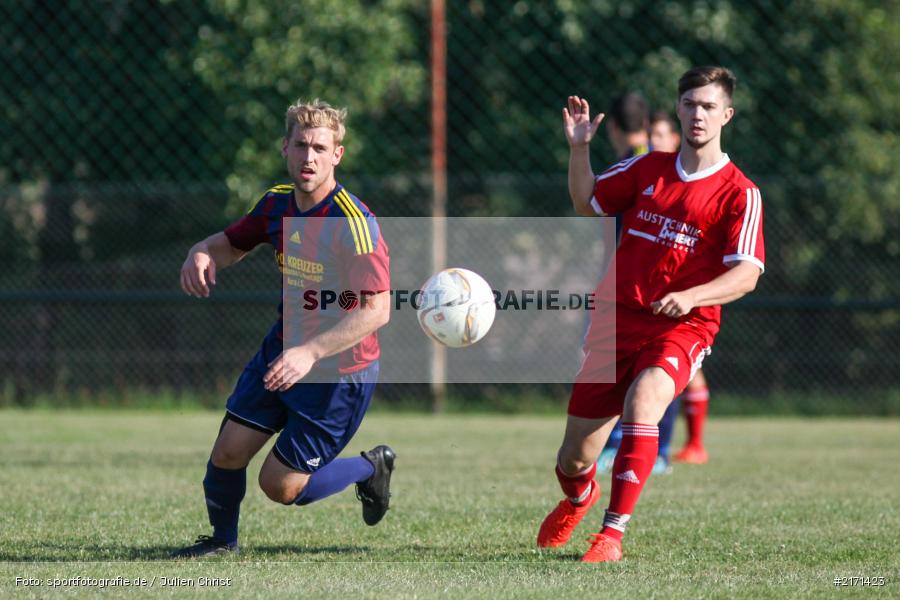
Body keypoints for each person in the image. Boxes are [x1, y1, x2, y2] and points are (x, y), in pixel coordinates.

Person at [538, 66, 764, 562]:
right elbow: (586, 202)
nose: (698, 114)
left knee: (645, 404)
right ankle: (580, 497)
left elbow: (747, 273)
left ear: (727, 115)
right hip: (615, 320)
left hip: (683, 325)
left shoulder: (739, 192)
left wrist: (692, 296)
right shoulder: (646, 169)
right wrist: (579, 149)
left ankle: (611, 536)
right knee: (573, 459)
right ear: (678, 109)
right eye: (690, 104)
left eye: (708, 106)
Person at [174, 99, 395, 557]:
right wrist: (201, 252)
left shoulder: (353, 224)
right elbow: (228, 245)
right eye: (301, 145)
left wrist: (311, 352)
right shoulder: (276, 203)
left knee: (280, 485)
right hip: (284, 349)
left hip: (338, 372)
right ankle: (222, 544)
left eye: (320, 147)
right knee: (228, 452)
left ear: (338, 154)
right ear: (285, 149)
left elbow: (377, 310)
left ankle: (369, 468)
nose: (309, 157)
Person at [596, 95, 679, 477]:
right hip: (651, 279)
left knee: (643, 366)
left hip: (635, 284)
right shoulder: (655, 160)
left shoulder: (635, 163)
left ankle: (649, 447)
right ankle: (645, 446)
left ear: (612, 127)